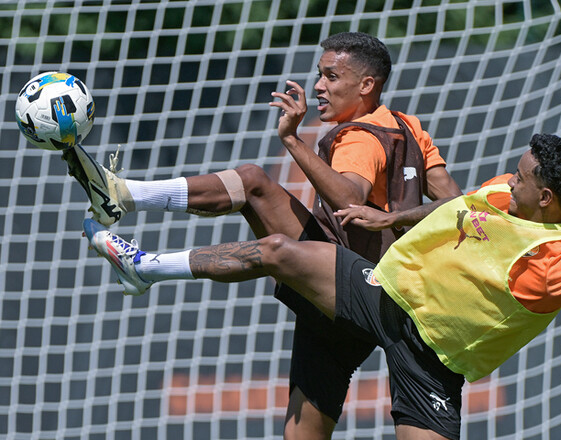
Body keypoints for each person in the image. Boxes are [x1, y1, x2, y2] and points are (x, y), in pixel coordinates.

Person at [82, 133, 561, 440]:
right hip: (385, 292)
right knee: (282, 251)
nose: (510, 176)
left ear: (549, 199)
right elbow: (459, 203)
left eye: (523, 174)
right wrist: (390, 220)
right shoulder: (515, 194)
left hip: (434, 358)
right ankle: (145, 266)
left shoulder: (559, 254)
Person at [63, 32, 462, 438]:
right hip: (339, 297)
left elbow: (348, 198)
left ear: (366, 85)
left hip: (358, 287)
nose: (318, 86)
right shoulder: (409, 127)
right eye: (318, 75)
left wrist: (291, 139)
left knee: (266, 220)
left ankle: (140, 251)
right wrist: (406, 218)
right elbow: (454, 202)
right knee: (300, 434)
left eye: (331, 76)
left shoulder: (358, 137)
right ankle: (126, 201)